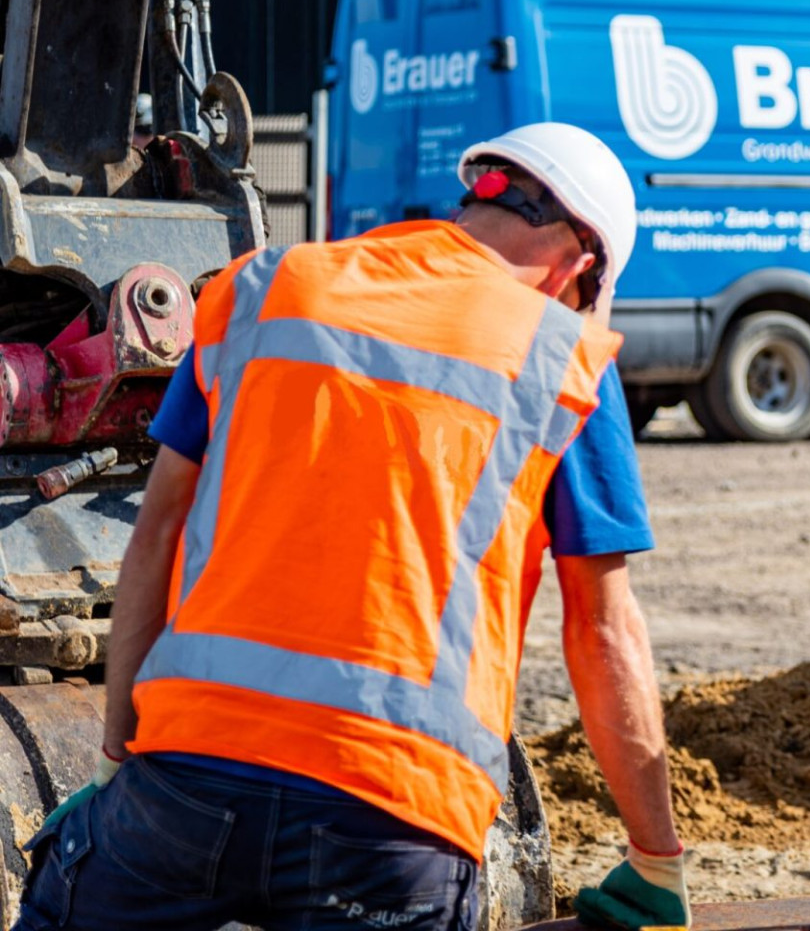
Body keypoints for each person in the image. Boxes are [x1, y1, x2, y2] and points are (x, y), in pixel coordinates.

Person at [17, 123, 688, 931]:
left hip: (187, 790)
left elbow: (156, 531)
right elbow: (603, 628)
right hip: (396, 822)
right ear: (578, 269)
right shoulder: (565, 358)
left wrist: (113, 765)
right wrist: (656, 864)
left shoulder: (261, 287)